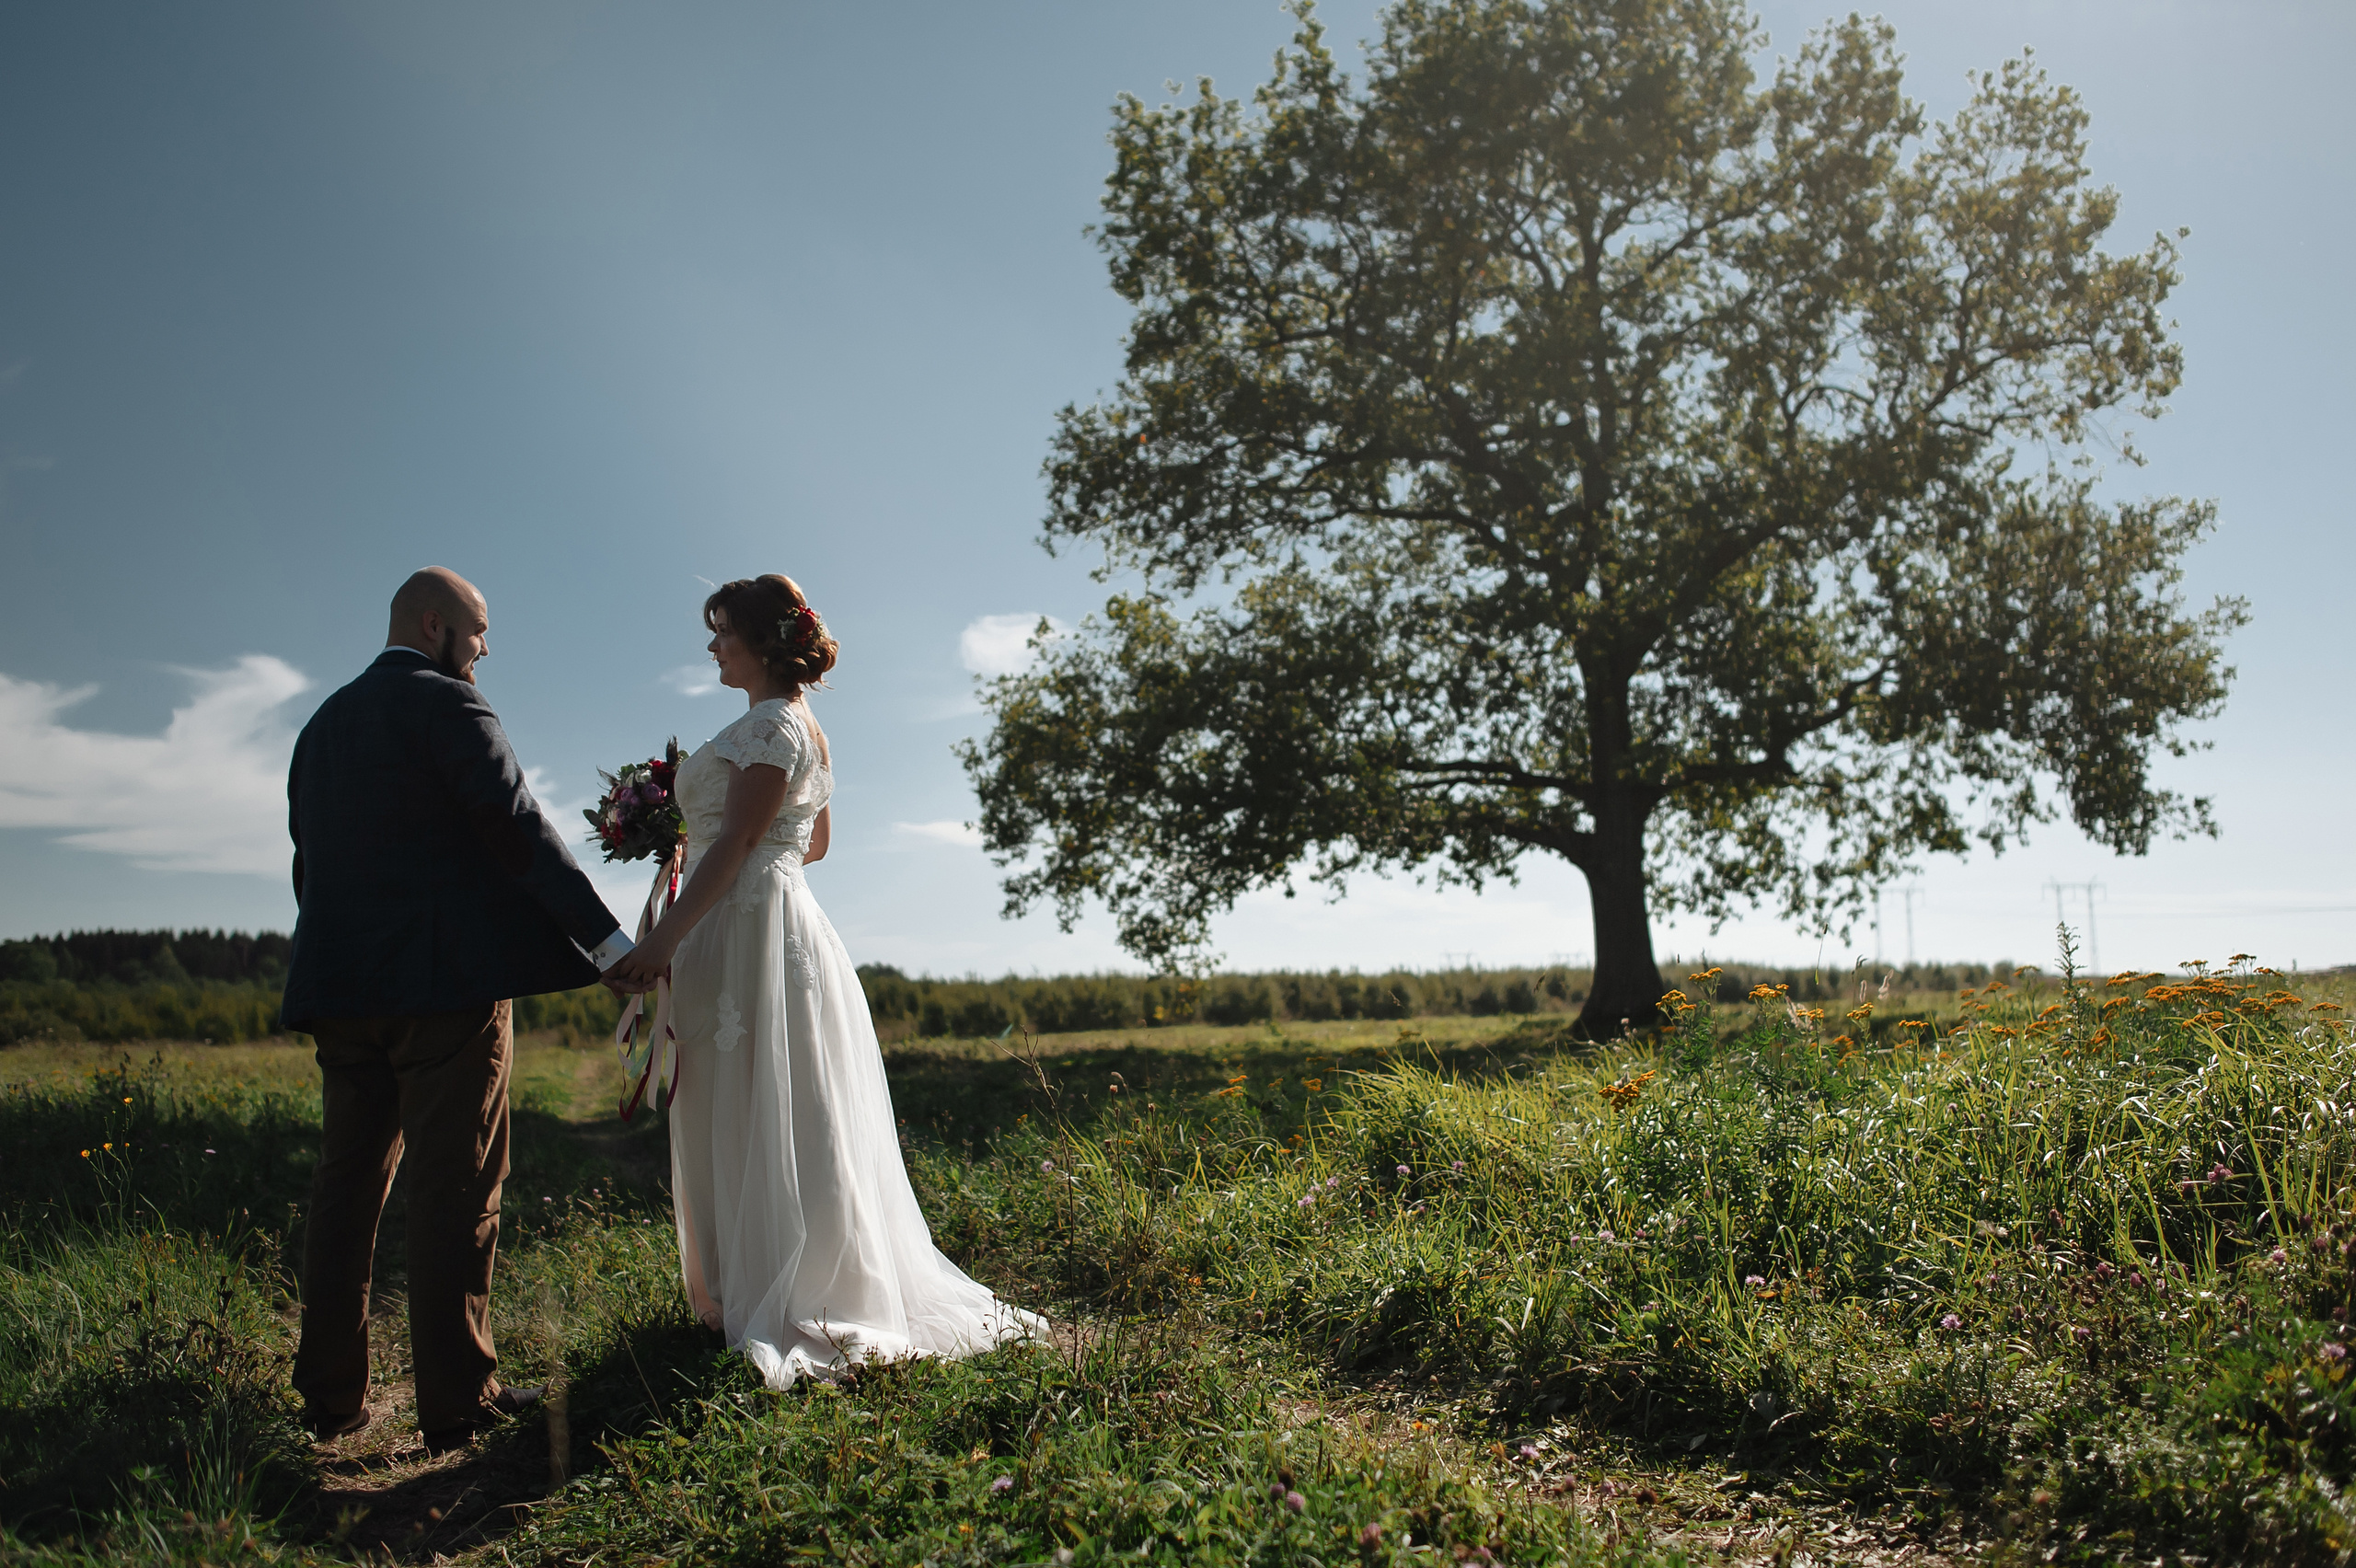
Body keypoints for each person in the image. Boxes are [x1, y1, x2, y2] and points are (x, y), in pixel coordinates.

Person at [605, 574, 1042, 1386]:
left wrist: (664, 936)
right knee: (756, 1095)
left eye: (723, 632)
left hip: (746, 930)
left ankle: (786, 1292)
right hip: (761, 919)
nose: (712, 646)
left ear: (764, 640)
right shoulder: (799, 727)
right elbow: (813, 845)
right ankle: (748, 1283)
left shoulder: (772, 727)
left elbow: (741, 844)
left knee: (759, 1095)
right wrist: (689, 846)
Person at [281, 567, 637, 1452]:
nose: (483, 650)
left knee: (345, 1188)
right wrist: (606, 944)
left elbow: (309, 860)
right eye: (477, 631)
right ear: (434, 625)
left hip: (340, 991)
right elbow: (514, 826)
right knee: (455, 1189)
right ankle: (455, 1403)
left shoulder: (321, 726)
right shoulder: (451, 707)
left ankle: (331, 1398)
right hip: (443, 994)